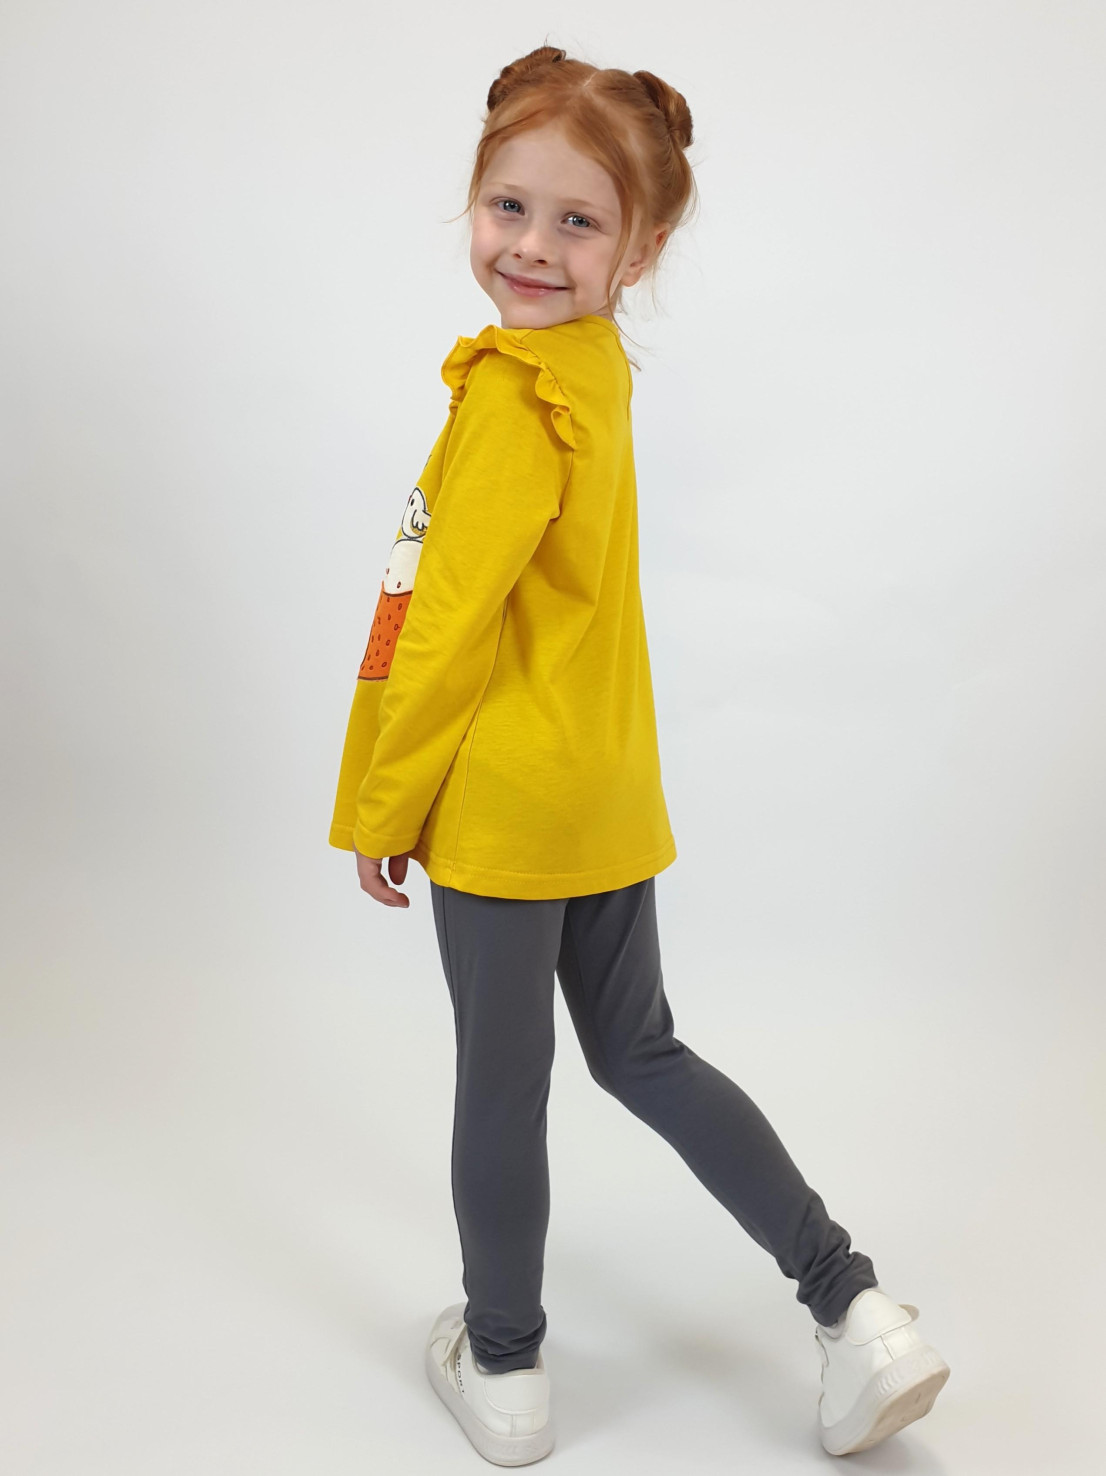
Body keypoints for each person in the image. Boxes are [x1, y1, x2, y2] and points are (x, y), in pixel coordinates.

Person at [327, 42, 950, 1468]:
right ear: (472, 198)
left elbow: (446, 629)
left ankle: (504, 1367)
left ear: (641, 247)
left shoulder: (510, 391)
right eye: (509, 206)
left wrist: (383, 802)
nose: (531, 248)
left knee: (502, 1086)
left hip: (503, 804)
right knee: (646, 1053)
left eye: (577, 221)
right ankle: (854, 1308)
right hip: (603, 791)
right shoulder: (591, 366)